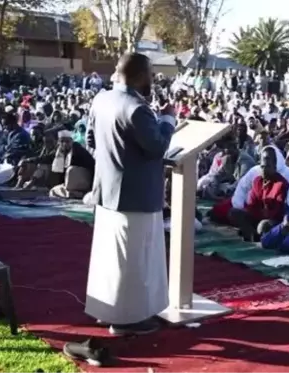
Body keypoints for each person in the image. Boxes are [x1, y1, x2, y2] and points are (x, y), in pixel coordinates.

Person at [82, 53, 176, 336]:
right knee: (134, 262)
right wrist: (169, 119)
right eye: (149, 73)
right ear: (138, 76)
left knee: (109, 261)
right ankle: (128, 321)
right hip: (136, 199)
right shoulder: (137, 108)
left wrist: (115, 164)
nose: (152, 79)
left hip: (107, 194)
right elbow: (157, 146)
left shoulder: (101, 100)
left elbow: (90, 141)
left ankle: (106, 311)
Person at [228, 146, 288, 241]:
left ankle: (254, 234)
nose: (264, 170)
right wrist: (255, 214)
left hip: (273, 221)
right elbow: (251, 205)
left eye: (267, 167)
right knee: (234, 212)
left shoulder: (281, 184)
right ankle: (253, 234)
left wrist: (260, 214)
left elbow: (276, 213)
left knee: (264, 226)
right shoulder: (257, 181)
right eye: (262, 167)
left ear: (274, 166)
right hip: (258, 216)